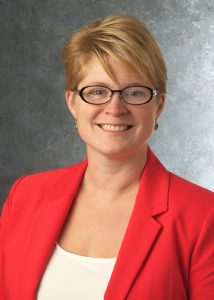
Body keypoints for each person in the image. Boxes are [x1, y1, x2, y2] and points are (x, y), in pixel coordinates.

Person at [0, 14, 214, 300]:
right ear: (72, 102)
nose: (115, 108)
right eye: (97, 91)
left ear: (158, 105)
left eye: (134, 92)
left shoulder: (203, 216)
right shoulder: (25, 196)